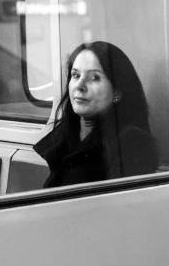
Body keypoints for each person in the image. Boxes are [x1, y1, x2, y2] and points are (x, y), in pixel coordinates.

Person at [33, 41, 158, 187]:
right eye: (75, 75)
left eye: (94, 78)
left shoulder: (134, 144)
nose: (79, 85)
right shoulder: (65, 134)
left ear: (117, 92)